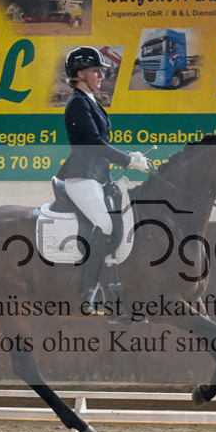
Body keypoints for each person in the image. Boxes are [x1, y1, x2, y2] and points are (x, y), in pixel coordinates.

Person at [57, 46, 148, 314]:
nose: (102, 74)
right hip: (81, 177)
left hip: (97, 176)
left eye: (101, 70)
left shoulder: (91, 101)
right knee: (105, 224)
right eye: (96, 70)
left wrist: (125, 161)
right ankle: (88, 292)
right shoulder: (77, 103)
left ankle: (120, 294)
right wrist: (128, 159)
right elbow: (94, 143)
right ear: (81, 73)